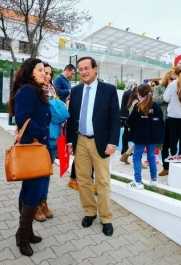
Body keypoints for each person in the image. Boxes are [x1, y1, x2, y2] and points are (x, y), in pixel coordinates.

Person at [67, 56, 120, 236]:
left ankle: (106, 218)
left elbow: (115, 119)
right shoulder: (75, 91)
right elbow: (71, 118)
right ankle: (90, 211)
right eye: (80, 69)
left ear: (95, 69)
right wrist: (69, 141)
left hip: (102, 142)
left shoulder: (109, 90)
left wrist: (113, 142)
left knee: (103, 181)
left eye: (86, 68)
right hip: (80, 141)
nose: (83, 72)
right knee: (82, 179)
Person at [8, 58, 50, 256]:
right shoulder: (27, 90)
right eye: (40, 70)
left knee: (29, 189)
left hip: (37, 145)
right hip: (34, 145)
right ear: (29, 71)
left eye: (45, 70)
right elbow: (22, 116)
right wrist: (41, 133)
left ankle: (27, 231)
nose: (44, 73)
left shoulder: (35, 89)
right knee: (35, 190)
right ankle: (22, 237)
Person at [34, 62, 69, 222]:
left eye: (49, 74)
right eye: (44, 72)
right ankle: (34, 205)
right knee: (37, 174)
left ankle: (43, 201)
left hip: (54, 137)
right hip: (40, 138)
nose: (47, 76)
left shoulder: (52, 89)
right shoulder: (33, 90)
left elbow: (60, 115)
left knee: (47, 173)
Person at [126, 84, 165, 189]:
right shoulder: (156, 106)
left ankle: (138, 181)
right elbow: (161, 121)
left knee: (137, 157)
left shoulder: (138, 106)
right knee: (151, 156)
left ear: (139, 94)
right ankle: (154, 180)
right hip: (152, 137)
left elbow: (130, 121)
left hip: (140, 136)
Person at [120, 86, 147, 169]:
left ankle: (126, 155)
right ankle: (137, 160)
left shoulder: (133, 102)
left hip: (135, 125)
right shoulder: (137, 103)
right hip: (137, 126)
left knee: (137, 143)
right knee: (140, 144)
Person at [153, 69, 174, 176]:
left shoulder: (178, 88)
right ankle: (166, 167)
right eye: (171, 78)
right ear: (167, 78)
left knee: (174, 144)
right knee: (163, 144)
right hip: (163, 119)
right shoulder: (159, 88)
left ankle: (174, 167)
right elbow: (155, 100)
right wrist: (167, 94)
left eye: (175, 79)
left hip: (175, 119)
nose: (173, 80)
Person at [120, 79, 137, 155]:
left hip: (123, 114)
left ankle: (124, 148)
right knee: (126, 132)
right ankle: (125, 149)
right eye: (135, 84)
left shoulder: (126, 92)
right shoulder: (130, 93)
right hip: (126, 115)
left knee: (125, 132)